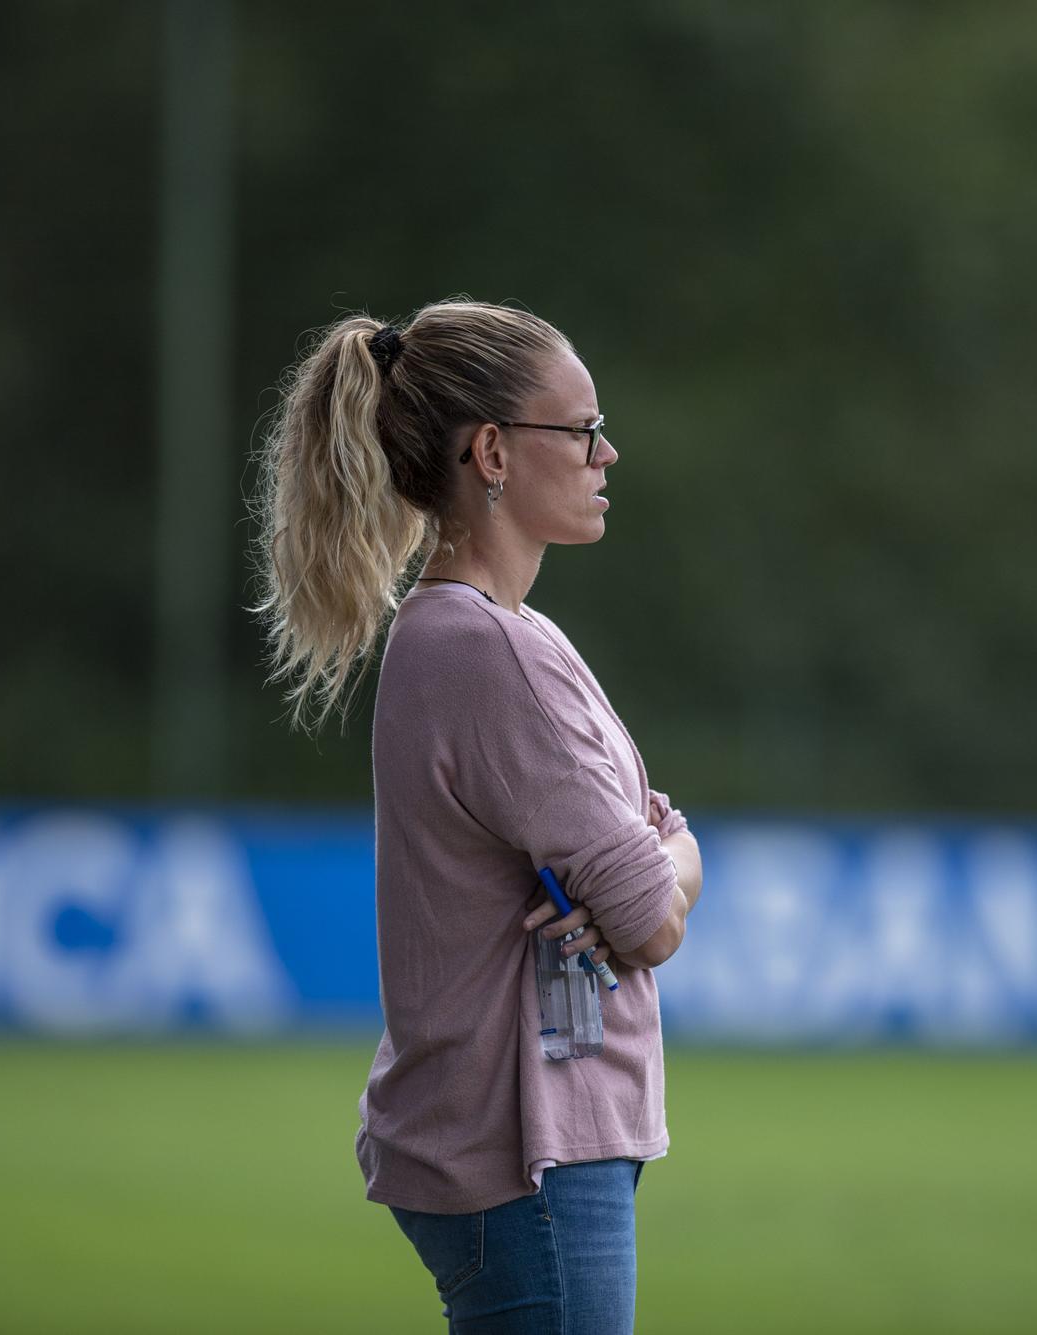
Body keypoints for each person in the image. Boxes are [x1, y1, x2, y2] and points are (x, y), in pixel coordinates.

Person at [253, 299, 705, 1333]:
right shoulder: (484, 649)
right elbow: (649, 918)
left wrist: (656, 851)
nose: (607, 453)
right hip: (530, 1144)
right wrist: (665, 858)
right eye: (581, 429)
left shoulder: (503, 634)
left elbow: (649, 846)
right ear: (493, 451)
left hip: (526, 1145)